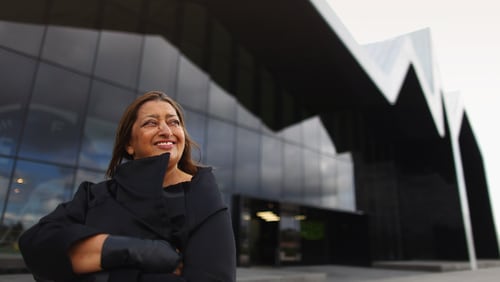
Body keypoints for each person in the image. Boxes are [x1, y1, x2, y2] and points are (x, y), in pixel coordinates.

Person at [18, 90, 237, 282]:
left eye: (174, 122)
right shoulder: (94, 195)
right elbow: (36, 245)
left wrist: (97, 274)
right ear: (129, 145)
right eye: (151, 122)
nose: (166, 131)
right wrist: (137, 250)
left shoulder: (204, 199)